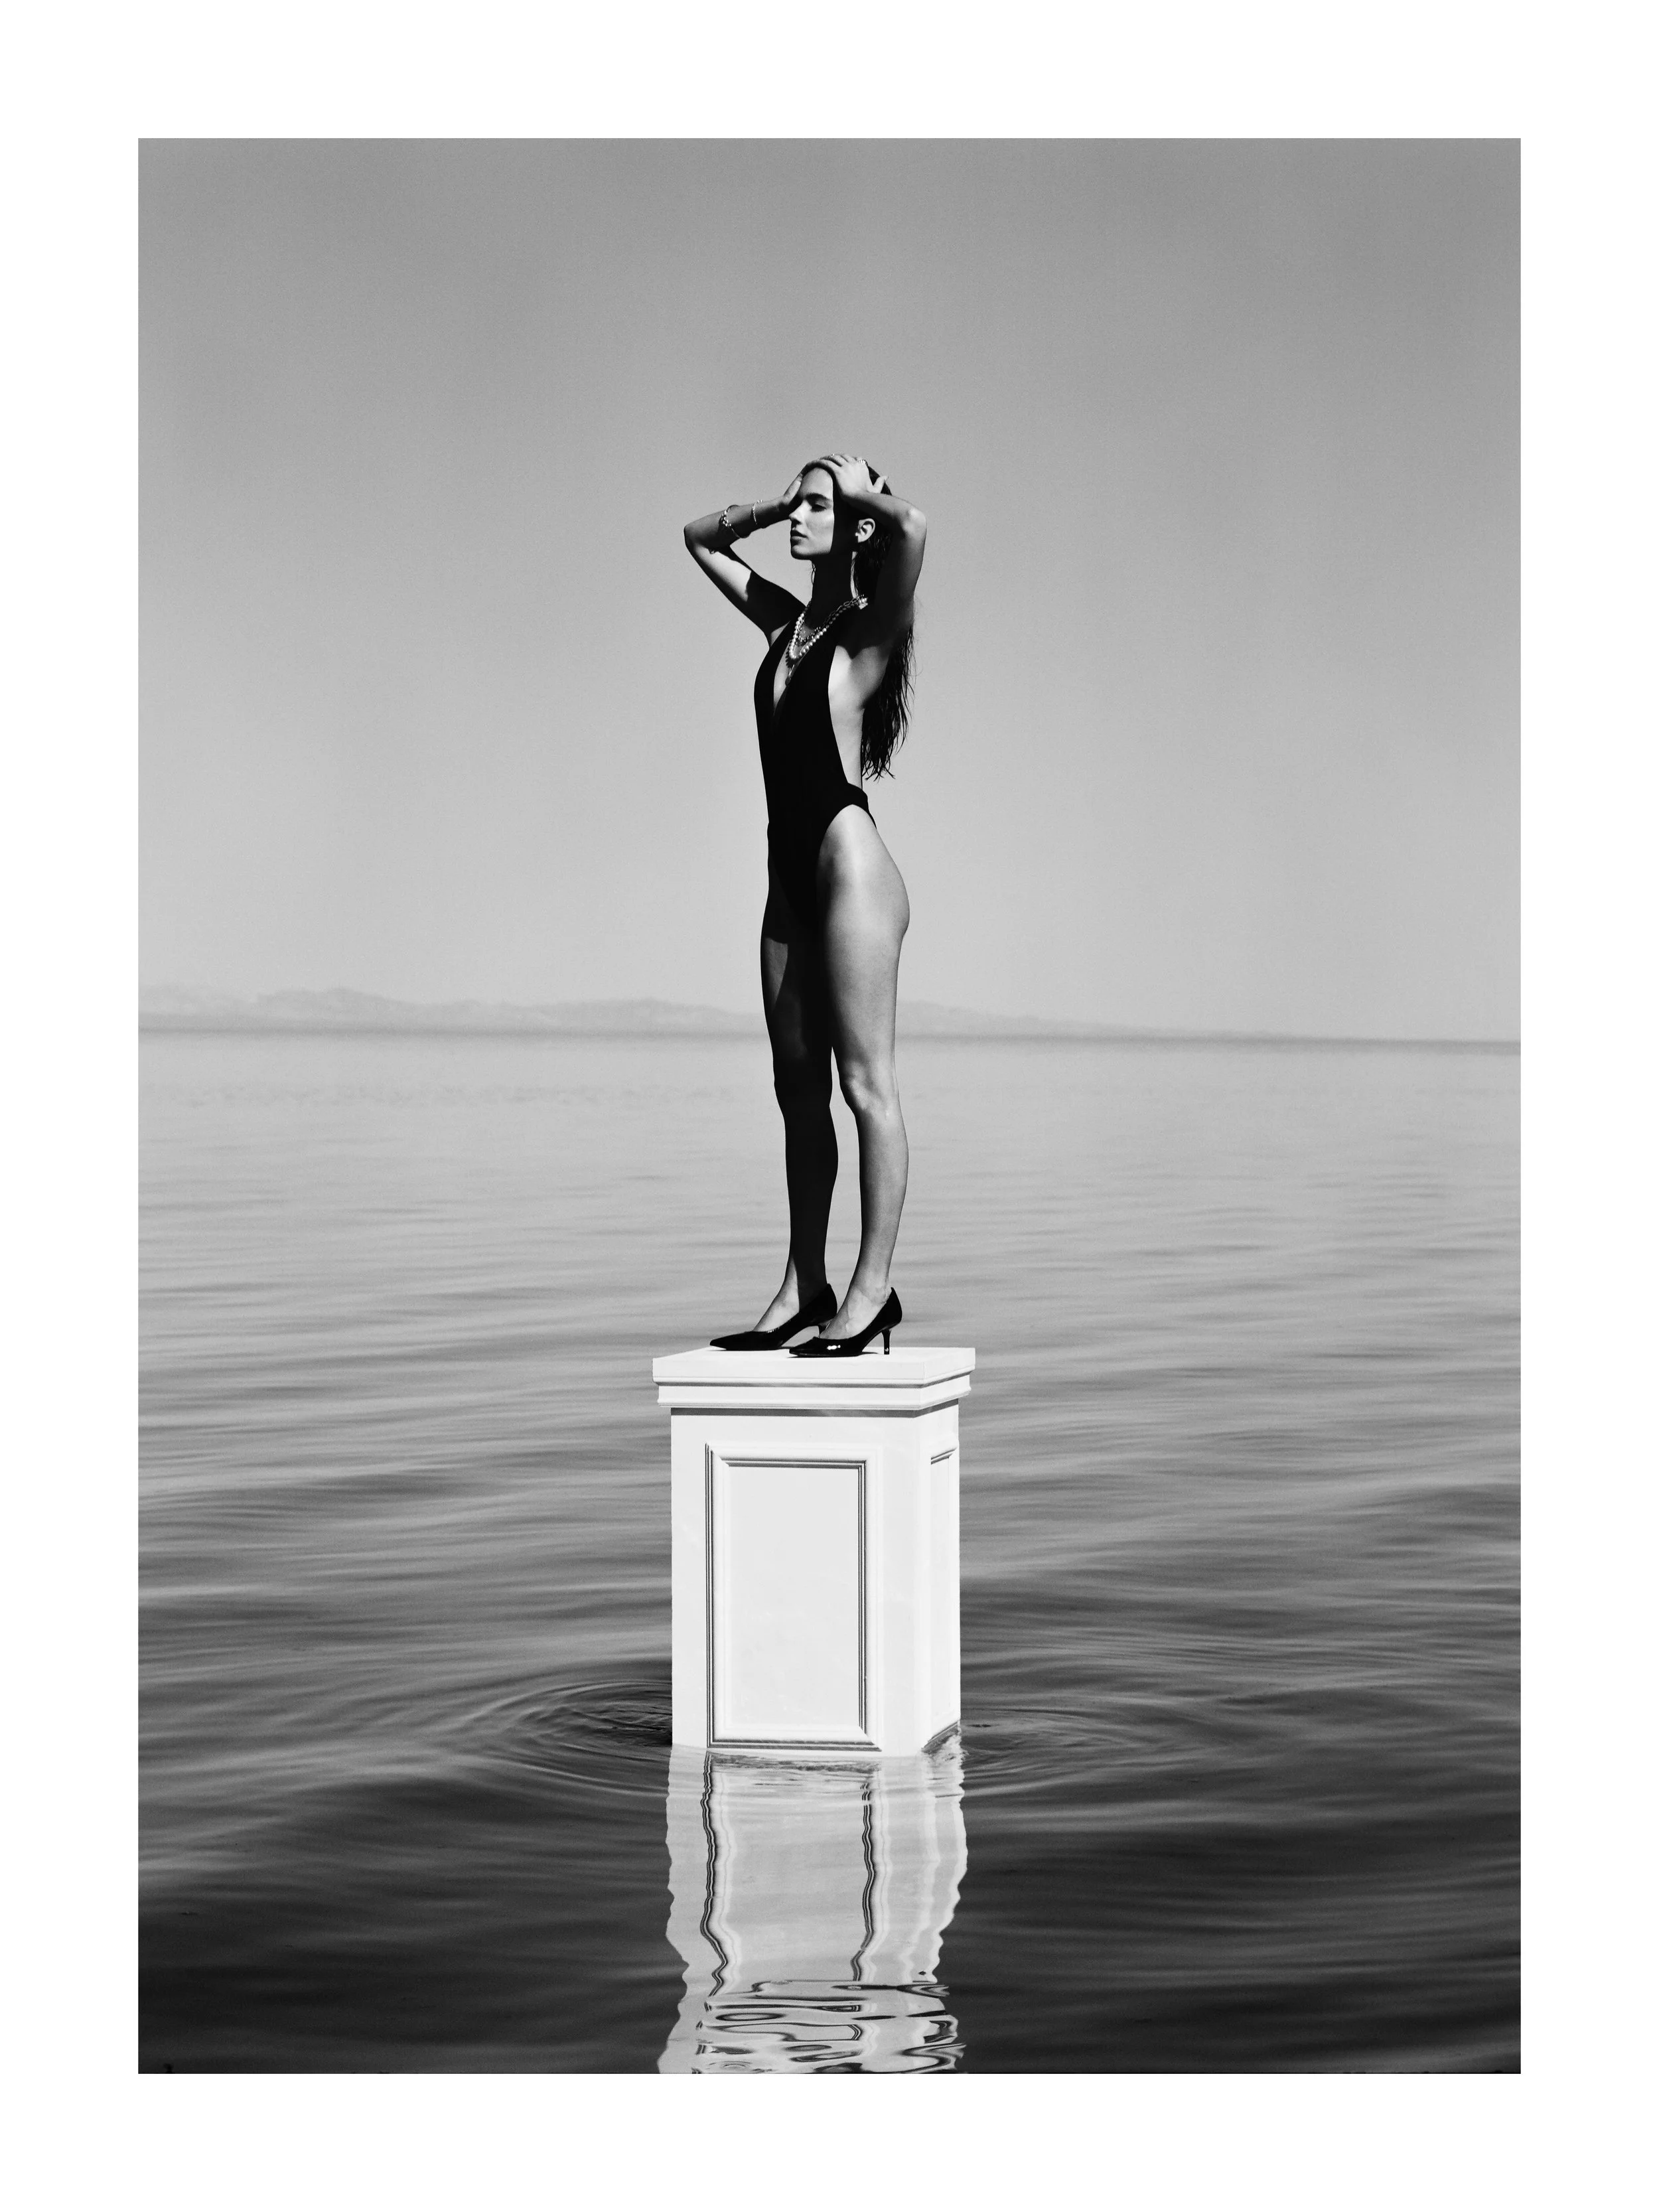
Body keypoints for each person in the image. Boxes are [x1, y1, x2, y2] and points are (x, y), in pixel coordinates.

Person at [683, 454, 926, 1357]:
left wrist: (863, 495)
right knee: (796, 1092)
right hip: (784, 877)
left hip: (847, 867)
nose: (799, 516)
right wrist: (776, 501)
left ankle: (873, 1289)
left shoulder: (868, 634)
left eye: (815, 505)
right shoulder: (785, 622)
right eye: (799, 501)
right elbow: (698, 540)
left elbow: (915, 532)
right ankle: (803, 1284)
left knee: (867, 1088)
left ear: (855, 521)